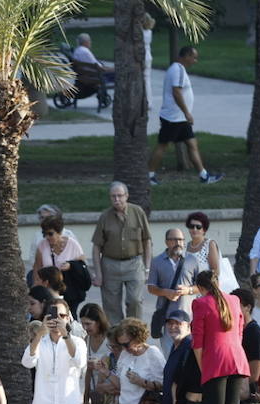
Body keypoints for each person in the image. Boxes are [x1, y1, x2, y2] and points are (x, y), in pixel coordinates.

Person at [189, 270, 247, 404]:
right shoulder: (234, 299)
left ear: (200, 287)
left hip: (215, 360)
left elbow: (198, 341)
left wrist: (203, 368)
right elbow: (240, 330)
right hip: (236, 358)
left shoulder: (200, 303)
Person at [21, 299, 87, 404]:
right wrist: (39, 334)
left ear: (69, 318)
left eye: (62, 316)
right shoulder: (40, 342)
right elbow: (27, 361)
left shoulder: (77, 342)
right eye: (53, 316)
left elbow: (79, 361)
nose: (58, 320)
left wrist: (66, 335)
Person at [147, 46, 223, 185]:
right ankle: (149, 176)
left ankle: (204, 176)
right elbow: (176, 92)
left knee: (192, 144)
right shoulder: (178, 70)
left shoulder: (177, 69)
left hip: (179, 118)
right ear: (186, 56)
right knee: (162, 145)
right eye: (194, 57)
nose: (195, 61)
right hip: (174, 118)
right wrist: (187, 112)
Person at [92, 182, 152, 324]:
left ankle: (134, 331)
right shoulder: (105, 217)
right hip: (110, 264)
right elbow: (96, 247)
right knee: (111, 305)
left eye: (120, 196)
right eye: (113, 196)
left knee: (135, 300)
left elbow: (147, 241)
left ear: (127, 196)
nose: (116, 199)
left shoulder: (138, 212)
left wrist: (147, 268)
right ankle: (116, 336)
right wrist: (98, 273)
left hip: (134, 263)